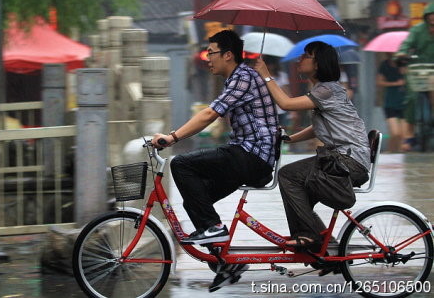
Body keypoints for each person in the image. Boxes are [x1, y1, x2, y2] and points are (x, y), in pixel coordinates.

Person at [152, 30, 278, 291]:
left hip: (253, 155)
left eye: (211, 52)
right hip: (247, 153)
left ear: (228, 54)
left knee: (181, 164)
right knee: (196, 199)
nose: (208, 58)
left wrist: (172, 137)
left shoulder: (242, 77)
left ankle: (214, 230)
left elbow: (209, 113)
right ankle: (225, 262)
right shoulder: (237, 78)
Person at [254, 41, 370, 268]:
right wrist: (290, 139)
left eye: (307, 56)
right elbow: (320, 127)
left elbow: (286, 104)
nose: (301, 59)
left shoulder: (328, 90)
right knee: (298, 190)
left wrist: (266, 75)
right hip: (339, 158)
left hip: (348, 161)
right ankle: (327, 248)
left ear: (318, 64)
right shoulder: (323, 90)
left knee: (288, 176)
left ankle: (310, 237)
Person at [396, 1, 434, 151]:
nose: (433, 19)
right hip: (418, 71)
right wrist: (401, 54)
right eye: (430, 16)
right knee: (411, 99)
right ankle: (409, 135)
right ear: (426, 17)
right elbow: (406, 44)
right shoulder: (417, 30)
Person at [376, 53, 408, 152]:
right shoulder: (384, 65)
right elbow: (379, 82)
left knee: (403, 135)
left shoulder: (404, 64)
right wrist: (395, 83)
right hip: (390, 102)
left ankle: (397, 155)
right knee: (395, 133)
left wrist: (404, 72)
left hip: (404, 101)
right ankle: (391, 152)